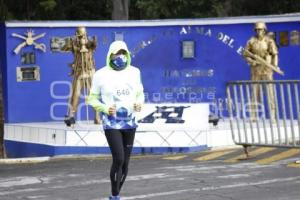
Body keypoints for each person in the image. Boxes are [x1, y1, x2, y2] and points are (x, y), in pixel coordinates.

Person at [86, 40, 144, 200]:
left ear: (127, 55)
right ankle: (115, 195)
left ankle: (114, 195)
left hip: (130, 123)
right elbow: (91, 99)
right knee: (118, 158)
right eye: (116, 54)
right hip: (111, 124)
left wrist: (140, 103)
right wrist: (105, 109)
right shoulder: (100, 74)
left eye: (123, 53)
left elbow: (140, 93)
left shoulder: (135, 72)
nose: (120, 57)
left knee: (125, 164)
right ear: (110, 55)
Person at [243, 21, 282, 122]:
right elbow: (245, 54)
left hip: (267, 69)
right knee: (255, 93)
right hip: (255, 70)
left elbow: (275, 54)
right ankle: (253, 116)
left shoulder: (269, 41)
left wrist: (275, 66)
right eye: (257, 30)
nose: (258, 31)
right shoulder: (251, 41)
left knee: (270, 93)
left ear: (264, 30)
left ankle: (273, 117)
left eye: (260, 29)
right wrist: (252, 62)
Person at [62, 26, 101, 126]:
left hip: (90, 71)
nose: (82, 37)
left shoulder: (90, 43)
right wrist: (72, 42)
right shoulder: (74, 44)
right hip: (79, 72)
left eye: (83, 35)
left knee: (93, 94)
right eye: (79, 35)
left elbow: (94, 44)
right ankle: (71, 116)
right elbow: (64, 48)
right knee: (75, 94)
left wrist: (88, 42)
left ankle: (97, 117)